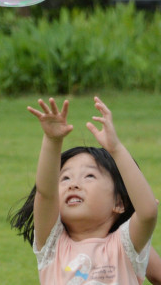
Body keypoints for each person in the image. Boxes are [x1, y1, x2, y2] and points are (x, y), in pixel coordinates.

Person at [8, 96, 157, 284]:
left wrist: (116, 149)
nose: (73, 184)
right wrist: (52, 140)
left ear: (119, 203)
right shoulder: (53, 246)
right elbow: (46, 194)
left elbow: (148, 212)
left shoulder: (124, 246)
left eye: (89, 176)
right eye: (65, 178)